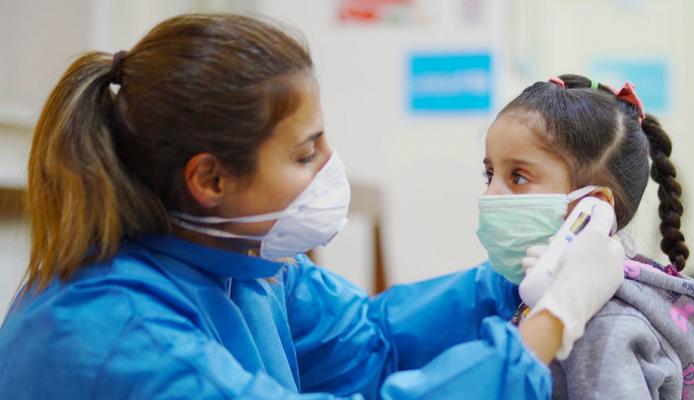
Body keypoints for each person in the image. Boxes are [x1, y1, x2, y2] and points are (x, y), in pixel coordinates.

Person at [0, 15, 624, 399]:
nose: (330, 167)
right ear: (209, 180)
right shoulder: (112, 331)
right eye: (304, 154)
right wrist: (552, 323)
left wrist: (522, 273)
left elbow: (374, 342)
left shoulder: (240, 267)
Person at [477, 74, 694, 399]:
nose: (490, 194)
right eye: (489, 173)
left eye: (518, 176)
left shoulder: (606, 327)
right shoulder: (528, 300)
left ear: (591, 209)